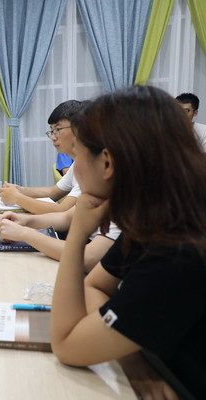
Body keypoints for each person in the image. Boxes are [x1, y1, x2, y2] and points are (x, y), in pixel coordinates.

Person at [51, 86, 206, 400]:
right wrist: (130, 356)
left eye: (78, 153)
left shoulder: (179, 248)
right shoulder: (159, 211)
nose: (74, 166)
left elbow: (66, 343)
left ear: (107, 163)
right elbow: (94, 285)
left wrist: (78, 235)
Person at [0, 100, 85, 214]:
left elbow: (62, 211)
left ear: (78, 129)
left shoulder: (90, 167)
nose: (53, 137)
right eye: (52, 131)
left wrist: (17, 198)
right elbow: (53, 192)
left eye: (58, 130)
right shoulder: (77, 163)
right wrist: (19, 190)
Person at [0, 206, 119, 273]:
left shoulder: (123, 201)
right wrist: (26, 220)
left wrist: (24, 233)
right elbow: (66, 217)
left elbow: (88, 259)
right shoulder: (96, 188)